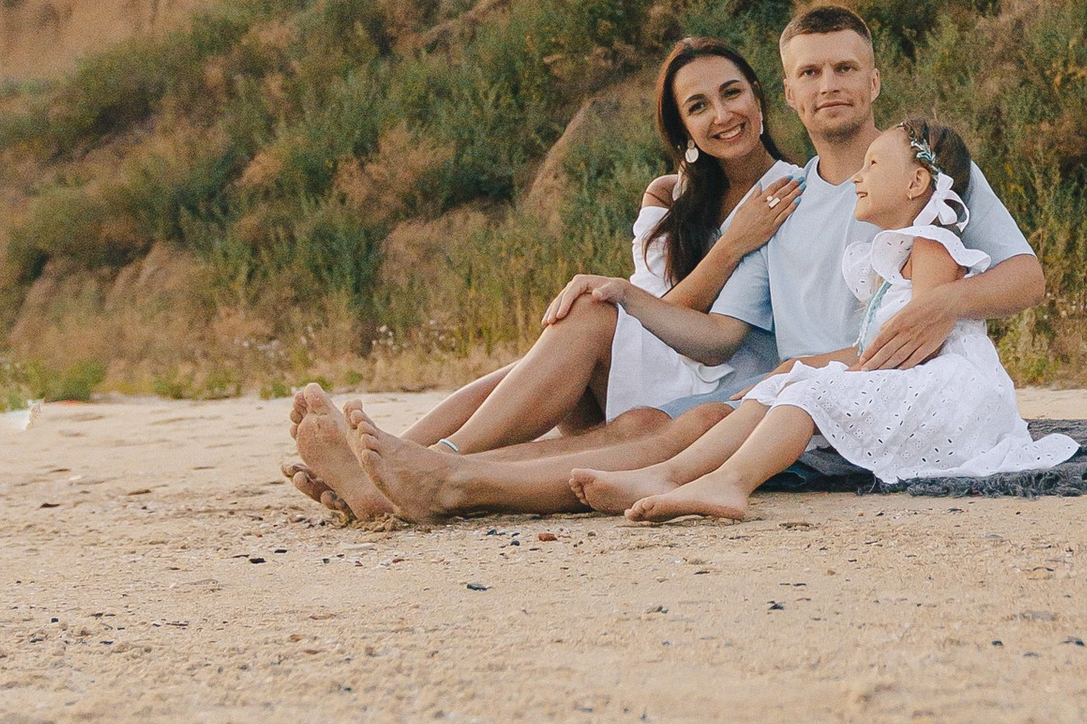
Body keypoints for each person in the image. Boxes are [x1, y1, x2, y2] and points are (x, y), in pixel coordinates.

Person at [326, 3, 1049, 523]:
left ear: (874, 81)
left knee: (677, 426)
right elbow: (722, 332)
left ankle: (451, 477)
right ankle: (429, 474)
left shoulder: (923, 170)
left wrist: (946, 304)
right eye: (811, 72)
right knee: (653, 423)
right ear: (789, 92)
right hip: (785, 394)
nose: (830, 85)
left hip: (840, 391)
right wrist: (625, 297)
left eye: (846, 68)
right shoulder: (780, 199)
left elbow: (1027, 278)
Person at [284, 35, 802, 524]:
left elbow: (705, 332)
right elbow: (655, 309)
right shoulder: (669, 197)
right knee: (584, 324)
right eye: (698, 106)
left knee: (597, 326)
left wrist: (727, 247)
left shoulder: (788, 193)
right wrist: (731, 245)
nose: (722, 115)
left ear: (758, 97)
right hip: (658, 357)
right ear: (683, 128)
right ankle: (382, 460)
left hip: (724, 373)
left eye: (731, 93)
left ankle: (415, 464)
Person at [568, 116, 1074, 519]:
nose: (858, 175)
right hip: (909, 375)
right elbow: (877, 347)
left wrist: (811, 375)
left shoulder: (934, 245)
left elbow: (920, 344)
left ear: (918, 181)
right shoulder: (894, 254)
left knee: (807, 391)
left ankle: (729, 483)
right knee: (781, 384)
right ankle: (671, 473)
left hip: (950, 390)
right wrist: (796, 366)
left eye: (874, 164)